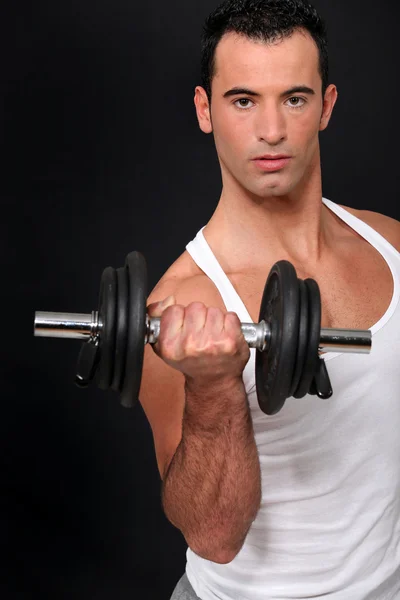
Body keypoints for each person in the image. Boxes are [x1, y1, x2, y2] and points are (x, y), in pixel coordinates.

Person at [139, 0, 400, 598]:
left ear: (327, 106)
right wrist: (211, 385)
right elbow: (214, 535)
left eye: (295, 98)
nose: (272, 130)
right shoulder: (175, 310)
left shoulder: (390, 245)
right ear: (205, 109)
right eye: (243, 100)